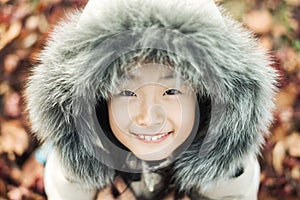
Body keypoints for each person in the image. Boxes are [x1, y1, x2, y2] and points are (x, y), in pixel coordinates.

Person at [25, 0, 278, 199]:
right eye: (126, 92)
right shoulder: (77, 160)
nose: (148, 117)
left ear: (205, 98)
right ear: (98, 100)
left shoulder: (227, 162)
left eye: (171, 91)